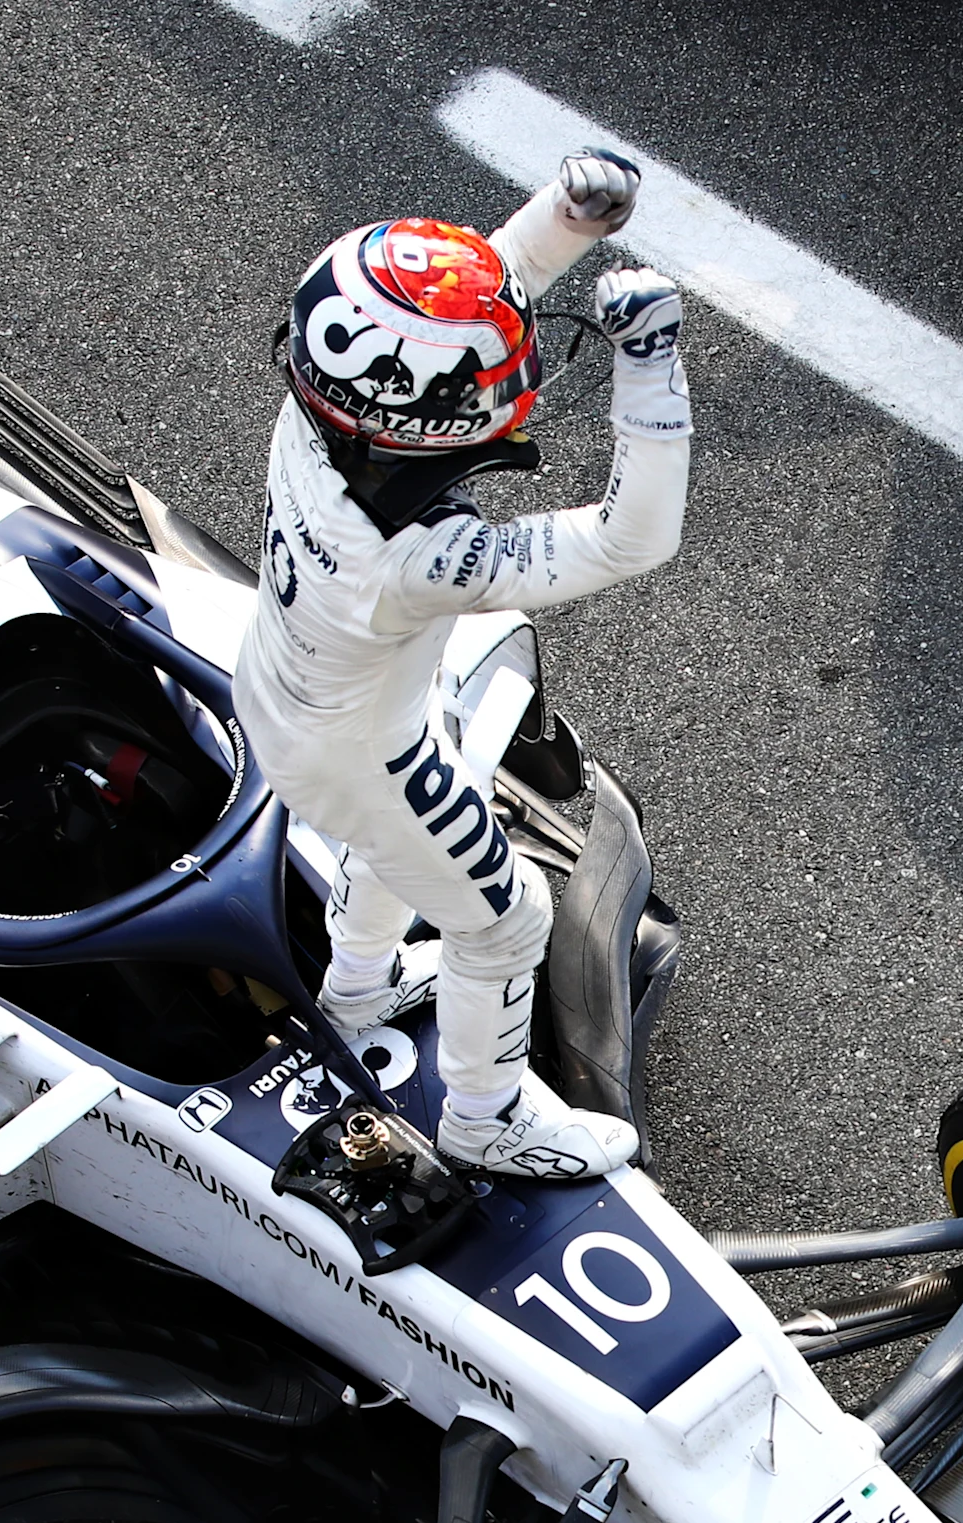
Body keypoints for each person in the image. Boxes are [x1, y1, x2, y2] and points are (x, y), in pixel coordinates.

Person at [236, 151, 687, 1181]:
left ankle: (353, 993)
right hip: (361, 747)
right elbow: (632, 539)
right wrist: (652, 367)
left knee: (393, 838)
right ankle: (484, 1120)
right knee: (506, 915)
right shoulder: (418, 556)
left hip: (284, 691)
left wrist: (564, 220)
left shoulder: (316, 405)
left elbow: (437, 321)